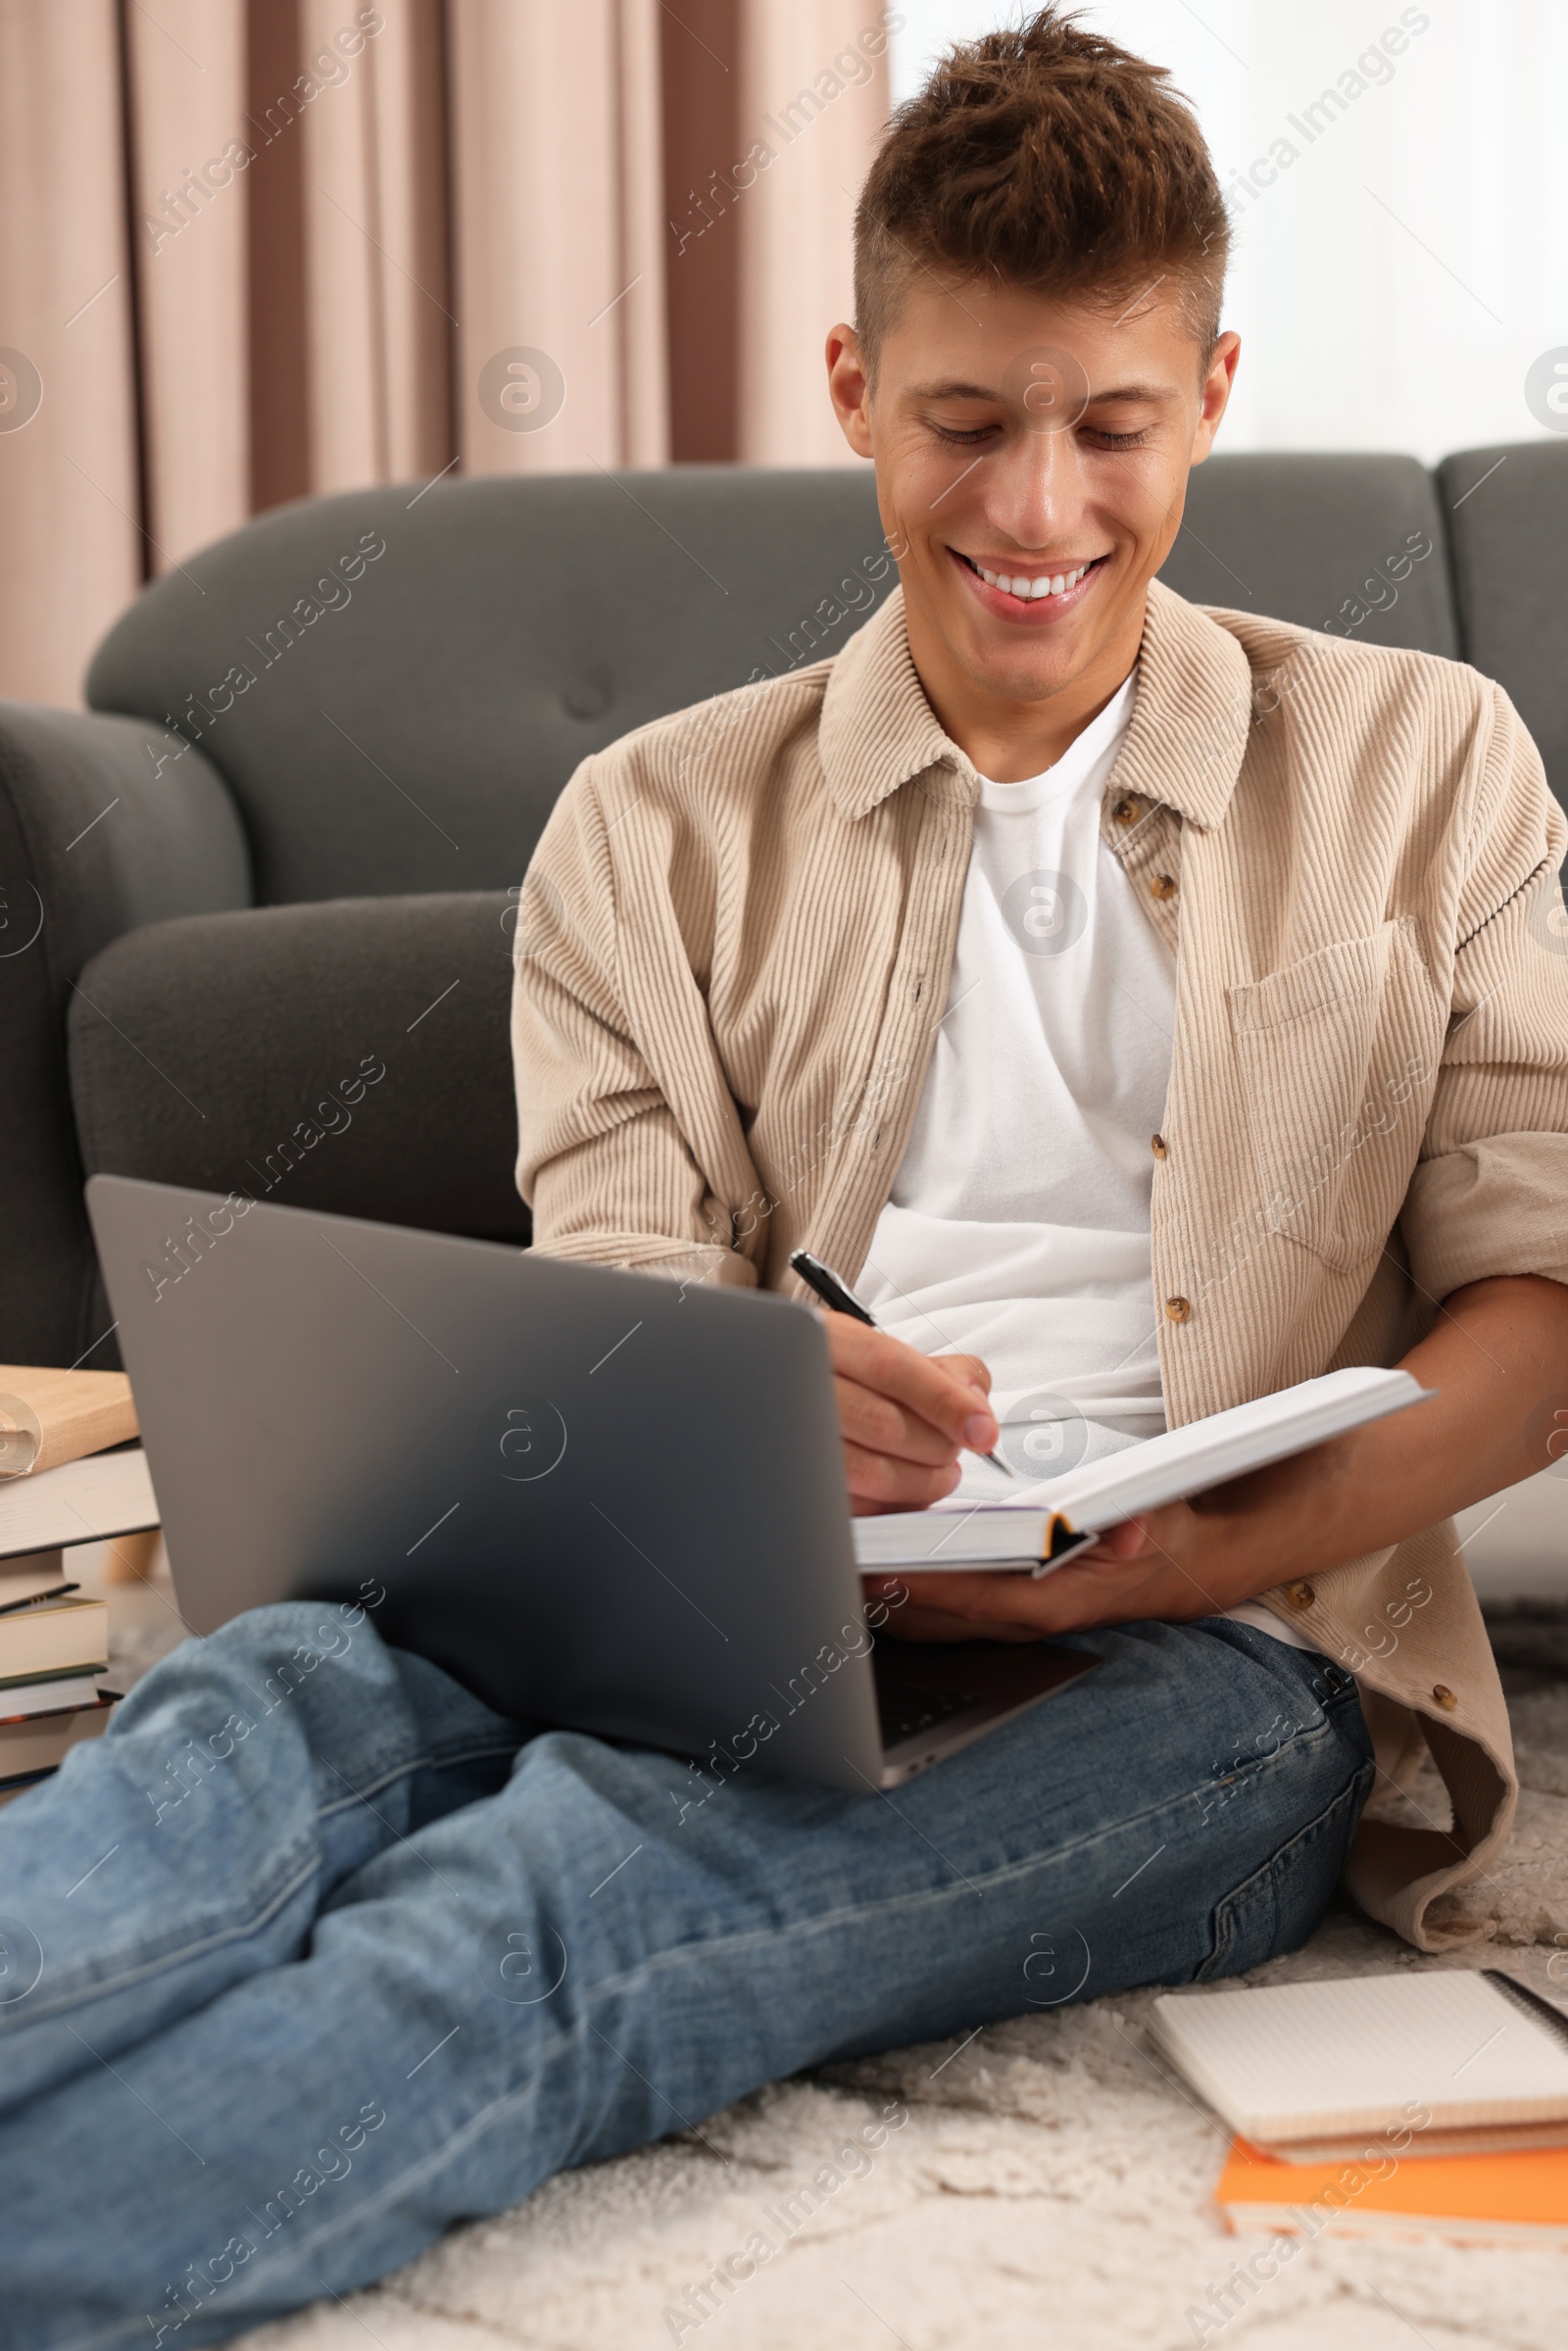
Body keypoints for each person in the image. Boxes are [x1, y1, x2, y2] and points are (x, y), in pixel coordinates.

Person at [4, 11, 1567, 2344]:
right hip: (706, 1605)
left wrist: (1165, 1560)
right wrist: (745, 1408)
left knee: (566, 1901)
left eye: (1110, 427)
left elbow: (1537, 1320)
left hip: (1214, 1667)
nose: (1035, 510)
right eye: (964, 421)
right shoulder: (644, 824)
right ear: (851, 385)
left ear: (1210, 391)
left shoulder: (1418, 764)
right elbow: (617, 1312)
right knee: (253, 1715)